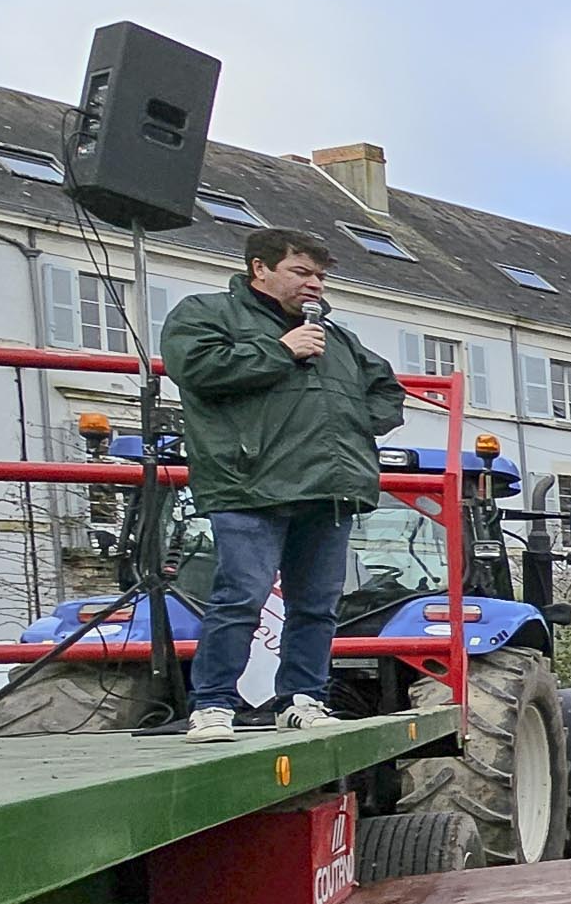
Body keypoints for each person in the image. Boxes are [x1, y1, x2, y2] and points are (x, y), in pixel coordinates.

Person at [166, 226, 405, 744]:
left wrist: (359, 424)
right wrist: (282, 351)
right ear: (260, 269)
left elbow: (386, 389)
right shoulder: (206, 313)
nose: (315, 284)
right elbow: (196, 369)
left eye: (320, 275)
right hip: (249, 486)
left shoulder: (338, 339)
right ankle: (211, 705)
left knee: (317, 606)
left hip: (328, 488)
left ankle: (302, 699)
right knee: (240, 598)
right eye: (301, 272)